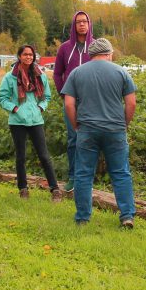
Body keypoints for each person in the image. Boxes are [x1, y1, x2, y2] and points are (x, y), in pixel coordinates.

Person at [60, 38, 137, 228]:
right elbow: (131, 103)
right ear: (109, 53)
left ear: (91, 54)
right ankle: (127, 215)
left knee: (84, 173)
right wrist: (124, 124)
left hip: (87, 130)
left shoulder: (77, 73)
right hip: (115, 130)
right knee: (121, 173)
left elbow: (69, 104)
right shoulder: (121, 72)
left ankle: (82, 218)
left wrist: (76, 125)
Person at [0, 45, 63, 201]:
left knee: (44, 155)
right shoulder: (10, 77)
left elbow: (46, 97)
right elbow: (2, 98)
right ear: (19, 56)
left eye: (31, 54)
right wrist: (15, 109)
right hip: (17, 121)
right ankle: (23, 189)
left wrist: (40, 108)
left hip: (36, 120)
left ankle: (55, 190)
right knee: (21, 156)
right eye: (25, 54)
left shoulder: (40, 75)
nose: (28, 57)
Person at [52, 11, 94, 192]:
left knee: (91, 138)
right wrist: (64, 93)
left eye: (85, 21)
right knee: (73, 139)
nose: (82, 25)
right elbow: (56, 72)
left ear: (89, 24)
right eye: (79, 22)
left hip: (92, 101)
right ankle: (73, 177)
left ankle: (87, 177)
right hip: (71, 101)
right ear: (74, 25)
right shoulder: (65, 48)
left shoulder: (95, 46)